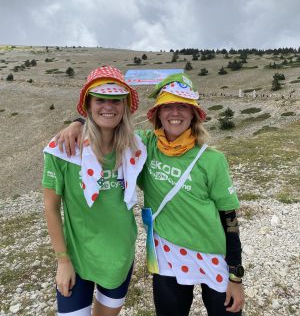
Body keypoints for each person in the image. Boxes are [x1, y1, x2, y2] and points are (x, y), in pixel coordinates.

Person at [56, 72, 245, 316]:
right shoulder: (143, 146)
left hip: (213, 256)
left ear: (194, 114)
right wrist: (78, 123)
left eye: (182, 107)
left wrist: (236, 277)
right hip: (168, 256)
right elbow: (108, 129)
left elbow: (230, 220)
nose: (174, 113)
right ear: (157, 113)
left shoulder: (212, 160)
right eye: (167, 106)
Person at [43, 66, 146, 316]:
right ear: (88, 104)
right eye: (100, 99)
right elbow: (51, 208)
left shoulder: (137, 147)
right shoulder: (63, 149)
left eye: (115, 100)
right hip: (76, 260)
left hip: (118, 258)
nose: (108, 107)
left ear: (124, 106)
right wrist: (62, 261)